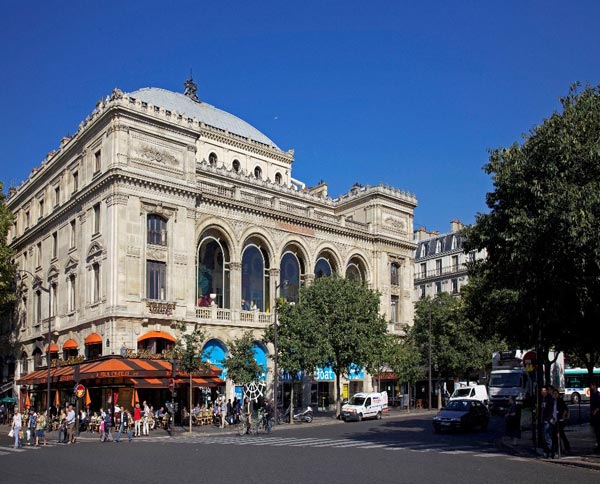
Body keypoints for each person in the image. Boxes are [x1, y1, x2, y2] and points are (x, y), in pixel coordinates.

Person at [552, 388, 570, 453]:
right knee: (555, 435)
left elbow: (565, 409)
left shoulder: (560, 401)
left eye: (556, 394)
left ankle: (566, 447)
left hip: (559, 420)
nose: (555, 395)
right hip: (554, 420)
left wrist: (563, 417)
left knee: (561, 434)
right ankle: (558, 448)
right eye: (553, 394)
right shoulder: (552, 401)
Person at [541, 386, 556, 458]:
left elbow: (550, 410)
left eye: (544, 391)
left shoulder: (549, 399)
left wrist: (547, 419)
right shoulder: (543, 399)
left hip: (548, 420)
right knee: (546, 436)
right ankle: (548, 451)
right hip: (544, 419)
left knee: (547, 436)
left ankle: (551, 451)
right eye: (542, 391)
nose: (542, 392)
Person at [590, 382, 600, 452]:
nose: (591, 387)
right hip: (594, 415)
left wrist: (595, 411)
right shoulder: (593, 394)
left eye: (592, 385)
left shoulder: (597, 394)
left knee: (598, 431)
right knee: (596, 432)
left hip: (598, 416)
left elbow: (599, 405)